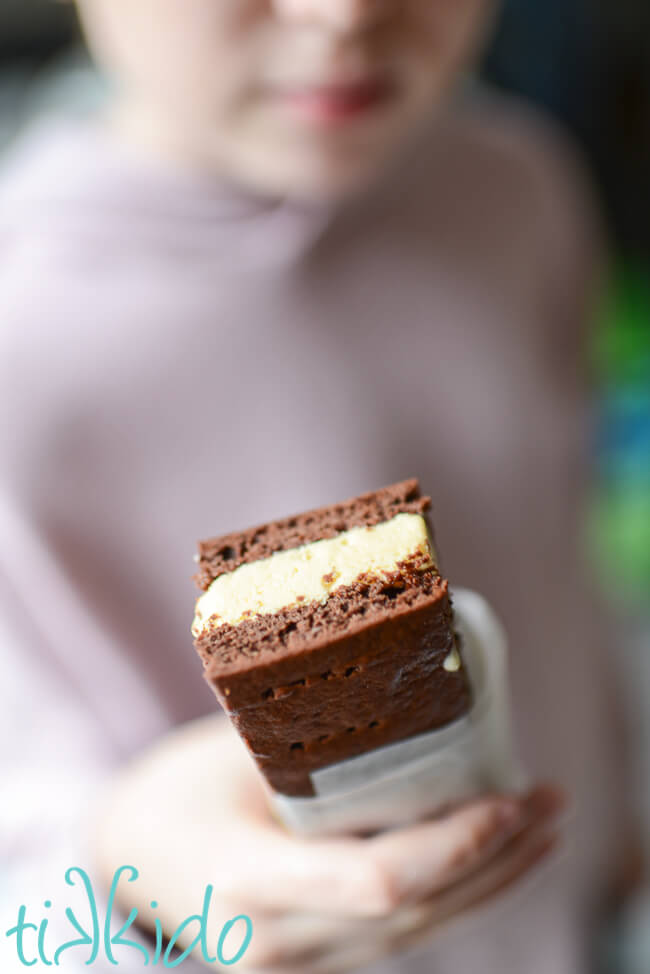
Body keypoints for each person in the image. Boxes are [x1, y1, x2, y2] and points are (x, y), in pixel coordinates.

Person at [0, 1, 631, 971]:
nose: (342, 16)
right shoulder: (25, 329)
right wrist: (121, 857)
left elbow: (559, 559)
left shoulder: (516, 190)